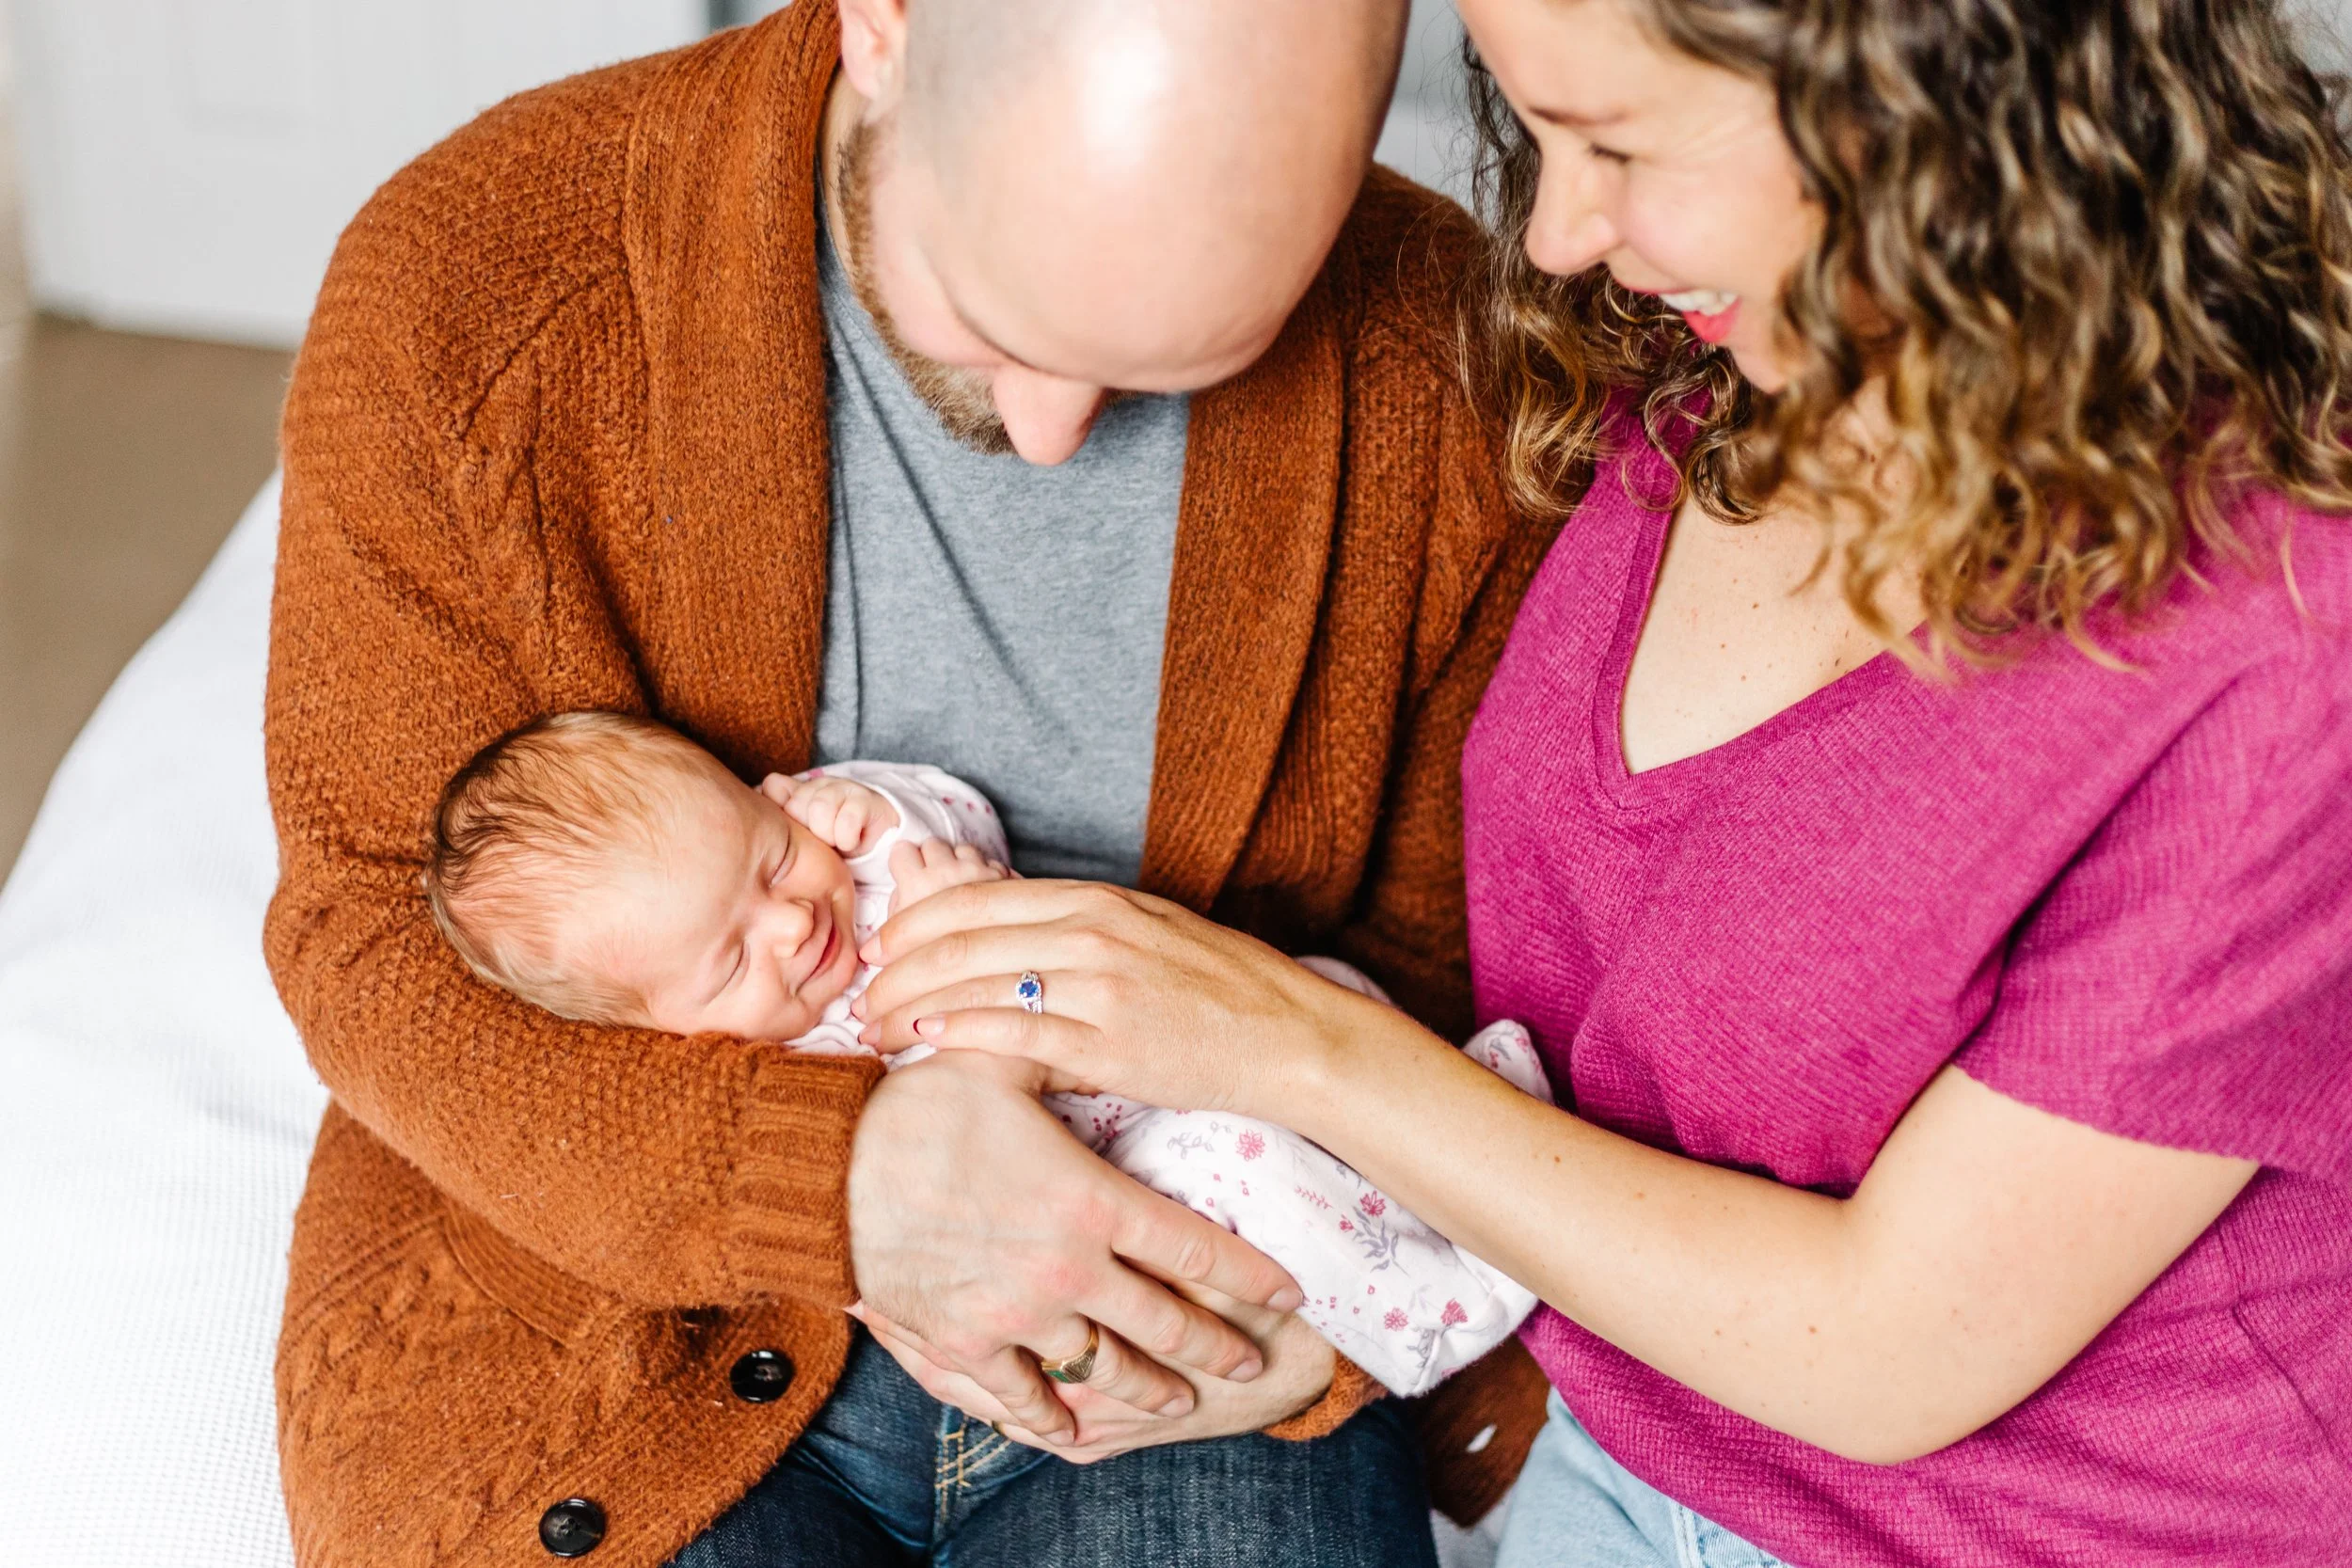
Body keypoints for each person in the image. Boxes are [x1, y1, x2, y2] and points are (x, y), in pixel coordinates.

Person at [854, 0, 2352, 1562]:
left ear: (1924, 97)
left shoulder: (2289, 636)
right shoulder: (1704, 372)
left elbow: (1891, 1346)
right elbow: (1590, 1031)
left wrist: (1291, 1050)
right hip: (1617, 1447)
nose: (1561, 235)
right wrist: (1363, 1277)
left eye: (1619, 143)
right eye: (1539, 133)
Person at [263, 0, 1558, 1562]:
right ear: (885, 23)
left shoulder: (1447, 365)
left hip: (1183, 1272)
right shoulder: (479, 279)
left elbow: (1454, 961)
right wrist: (843, 1173)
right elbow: (371, 928)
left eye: (1188, 354)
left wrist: (1342, 1332)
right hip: (615, 1283)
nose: (1054, 432)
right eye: (992, 316)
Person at [419, 712, 1549, 1398]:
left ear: (771, 797)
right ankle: (1446, 1302)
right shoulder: (779, 1075)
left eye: (769, 857)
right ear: (664, 1036)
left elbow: (958, 815)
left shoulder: (855, 855)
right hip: (1124, 1163)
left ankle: (1461, 1125)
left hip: (1154, 1021)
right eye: (726, 963)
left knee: (1320, 996)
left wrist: (879, 811)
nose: (788, 925)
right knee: (1242, 1168)